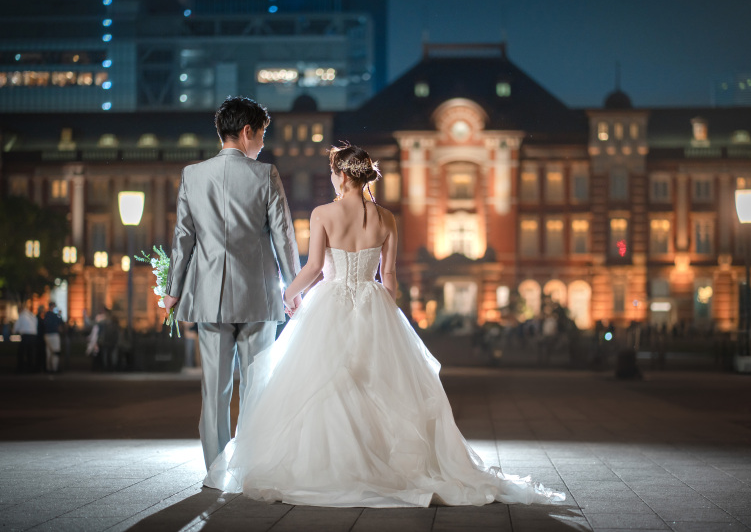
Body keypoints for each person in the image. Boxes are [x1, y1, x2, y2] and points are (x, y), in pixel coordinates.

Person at [203, 144, 565, 507]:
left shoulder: (323, 214)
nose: (332, 178)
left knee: (326, 381)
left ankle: (335, 461)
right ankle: (382, 459)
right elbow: (388, 276)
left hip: (330, 302)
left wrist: (289, 295)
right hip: (372, 300)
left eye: (333, 172)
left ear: (343, 175)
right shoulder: (387, 219)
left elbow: (313, 269)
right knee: (378, 384)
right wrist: (390, 315)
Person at [163, 96, 301, 471]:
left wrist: (172, 291)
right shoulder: (265, 174)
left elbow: (183, 238)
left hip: (209, 296)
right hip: (258, 296)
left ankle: (216, 472)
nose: (263, 144)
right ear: (246, 132)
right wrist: (294, 288)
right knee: (257, 387)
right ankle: (250, 467)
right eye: (262, 135)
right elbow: (284, 236)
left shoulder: (193, 175)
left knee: (215, 391)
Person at [12, 303, 38, 373]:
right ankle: (31, 368)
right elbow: (36, 323)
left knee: (21, 352)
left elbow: (16, 326)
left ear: (19, 310)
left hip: (26, 335)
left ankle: (20, 368)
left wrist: (13, 331)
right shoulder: (31, 315)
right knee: (30, 352)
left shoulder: (22, 316)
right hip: (33, 335)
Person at [43, 302, 64, 373]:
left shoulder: (46, 315)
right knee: (55, 352)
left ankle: (48, 368)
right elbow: (61, 321)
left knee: (48, 352)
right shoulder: (54, 315)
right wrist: (59, 314)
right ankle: (54, 368)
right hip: (54, 335)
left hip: (47, 335)